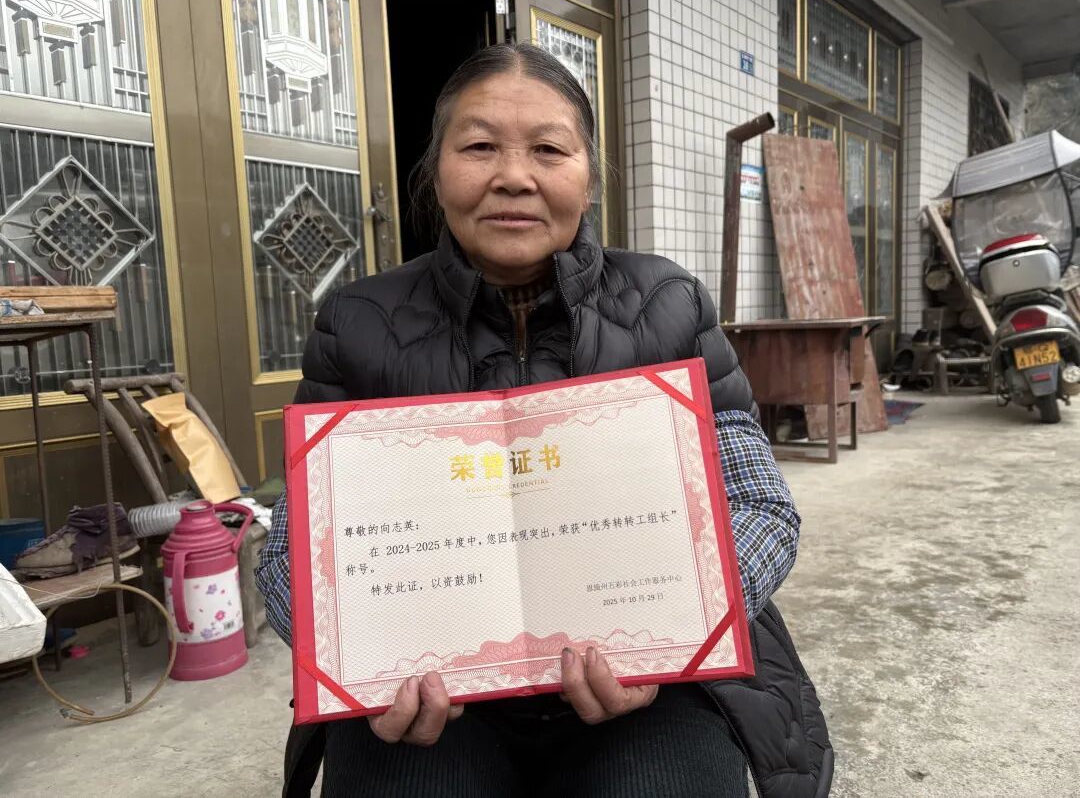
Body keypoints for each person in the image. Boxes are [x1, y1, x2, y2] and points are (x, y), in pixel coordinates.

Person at [257, 43, 832, 798]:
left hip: (651, 688)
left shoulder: (670, 304)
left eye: (548, 150)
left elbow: (758, 504)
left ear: (588, 177)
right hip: (435, 699)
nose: (514, 177)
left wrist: (676, 634)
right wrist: (364, 659)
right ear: (435, 172)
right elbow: (293, 547)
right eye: (479, 147)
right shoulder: (357, 321)